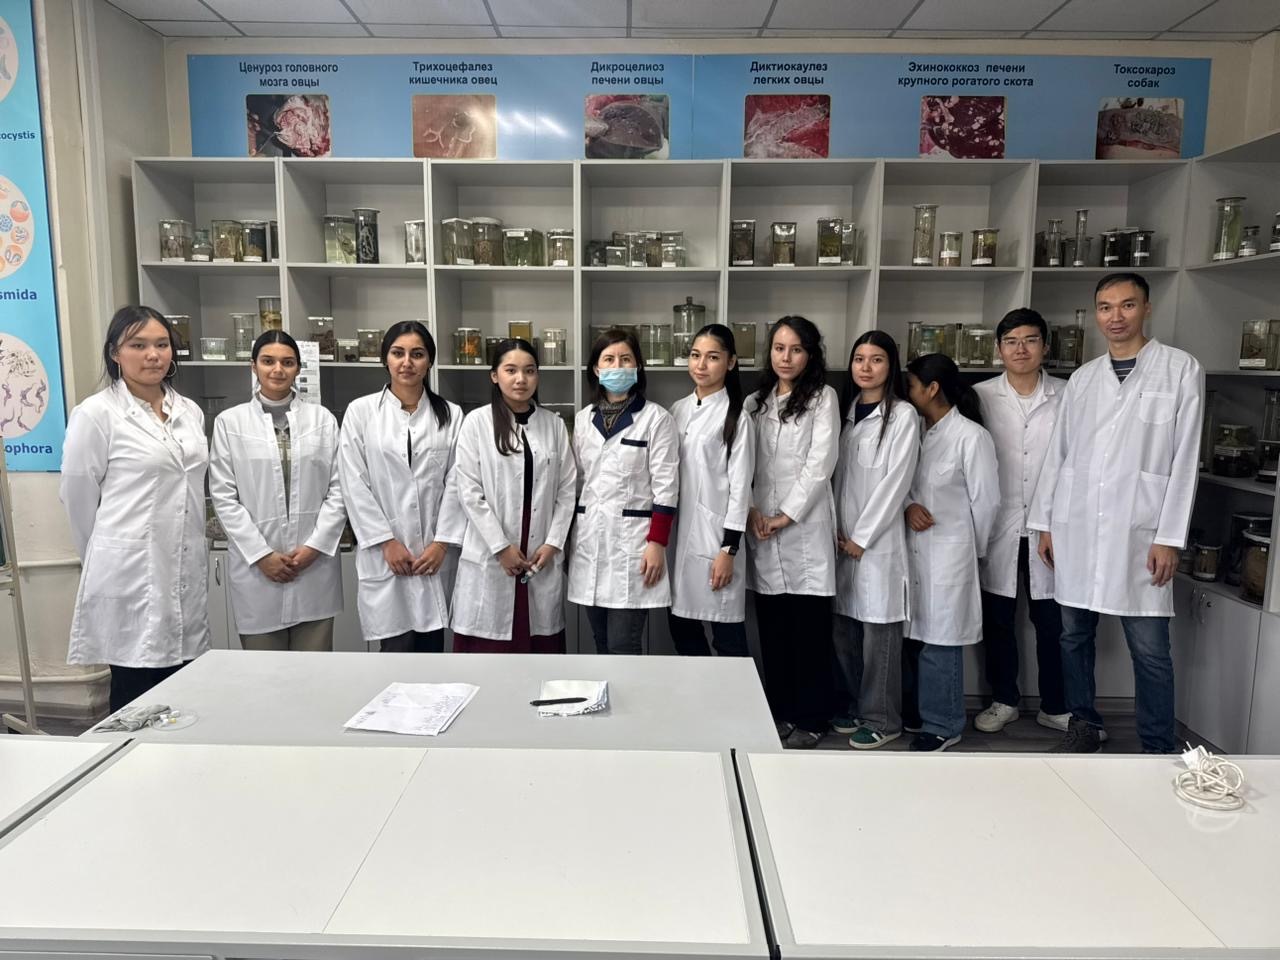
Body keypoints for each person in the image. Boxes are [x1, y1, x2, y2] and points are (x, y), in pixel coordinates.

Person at [1031, 273, 1203, 754]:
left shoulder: (1180, 370)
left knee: (1149, 647)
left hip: (1141, 529)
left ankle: (1156, 746)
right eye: (1106, 307)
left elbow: (1186, 458)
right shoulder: (1084, 379)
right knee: (1073, 635)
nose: (1116, 317)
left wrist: (1169, 536)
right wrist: (1045, 524)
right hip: (1077, 523)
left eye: (1127, 305)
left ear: (1147, 308)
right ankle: (1084, 724)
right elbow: (1059, 455)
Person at [60, 306, 209, 711]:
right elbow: (77, 497)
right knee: (136, 694)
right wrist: (105, 555)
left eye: (162, 345)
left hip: (182, 567)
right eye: (138, 345)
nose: (153, 355)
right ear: (115, 353)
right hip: (129, 575)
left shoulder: (189, 411)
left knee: (186, 691)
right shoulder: (96, 414)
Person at [209, 330, 346, 651]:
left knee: (314, 669)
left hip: (313, 566)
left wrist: (315, 547)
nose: (278, 370)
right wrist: (262, 555)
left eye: (287, 362)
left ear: (298, 367)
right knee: (264, 671)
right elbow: (224, 497)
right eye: (268, 361)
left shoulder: (322, 420)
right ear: (253, 366)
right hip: (257, 571)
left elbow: (340, 488)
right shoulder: (230, 423)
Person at [443, 339, 577, 652]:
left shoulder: (554, 425)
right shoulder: (476, 422)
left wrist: (553, 543)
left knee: (540, 653)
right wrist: (500, 547)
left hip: (539, 553)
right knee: (489, 659)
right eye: (511, 370)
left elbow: (567, 489)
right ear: (494, 375)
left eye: (529, 371)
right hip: (492, 553)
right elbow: (469, 490)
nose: (521, 379)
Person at [972, 309, 1069, 736]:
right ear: (998, 349)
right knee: (999, 621)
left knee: (1053, 623)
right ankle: (1003, 700)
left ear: (1045, 346)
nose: (1021, 349)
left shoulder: (1068, 394)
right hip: (998, 525)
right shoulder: (979, 396)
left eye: (1030, 340)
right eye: (1011, 341)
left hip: (1053, 527)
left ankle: (1056, 705)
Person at [338, 321, 462, 652]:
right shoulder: (361, 412)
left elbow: (458, 482)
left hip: (433, 554)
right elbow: (353, 482)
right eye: (398, 353)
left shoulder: (451, 415)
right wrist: (386, 542)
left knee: (433, 648)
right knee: (394, 652)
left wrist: (441, 544)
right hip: (385, 555)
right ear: (386, 359)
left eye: (417, 354)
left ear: (429, 361)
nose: (407, 362)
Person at [747, 316, 840, 749]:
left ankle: (813, 717)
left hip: (803, 531)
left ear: (810, 354)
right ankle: (781, 713)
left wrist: (785, 515)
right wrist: (752, 510)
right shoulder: (756, 403)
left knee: (810, 633)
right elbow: (744, 465)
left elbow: (820, 464)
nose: (786, 357)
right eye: (779, 348)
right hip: (762, 528)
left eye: (796, 349)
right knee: (774, 631)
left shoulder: (823, 398)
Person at [903, 353, 1001, 752]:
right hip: (912, 552)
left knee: (941, 642)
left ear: (932, 389)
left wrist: (971, 552)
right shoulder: (914, 430)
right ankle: (918, 714)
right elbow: (901, 485)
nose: (906, 393)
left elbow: (987, 503)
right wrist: (909, 506)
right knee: (915, 639)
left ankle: (944, 724)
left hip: (950, 556)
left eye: (911, 385)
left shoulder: (971, 437)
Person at [832, 330, 919, 749]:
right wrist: (836, 530)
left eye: (876, 359)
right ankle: (854, 706)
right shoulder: (847, 413)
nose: (866, 367)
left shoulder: (902, 416)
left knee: (879, 636)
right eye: (859, 359)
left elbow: (895, 483)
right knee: (845, 630)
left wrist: (862, 538)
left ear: (891, 365)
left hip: (876, 546)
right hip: (840, 541)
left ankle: (883, 718)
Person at [569, 327, 679, 654]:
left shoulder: (656, 419)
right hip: (590, 543)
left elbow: (666, 487)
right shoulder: (583, 420)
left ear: (638, 366)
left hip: (635, 547)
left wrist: (657, 543)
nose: (617, 366)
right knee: (601, 643)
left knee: (623, 646)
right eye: (609, 359)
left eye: (625, 359)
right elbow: (576, 484)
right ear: (596, 369)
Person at [668, 324, 756, 657]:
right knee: (683, 632)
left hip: (716, 541)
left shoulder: (737, 417)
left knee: (728, 638)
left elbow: (741, 490)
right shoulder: (677, 410)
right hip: (677, 540)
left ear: (731, 362)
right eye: (695, 355)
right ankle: (696, 692)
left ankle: (736, 694)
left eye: (713, 357)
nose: (701, 365)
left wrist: (728, 550)